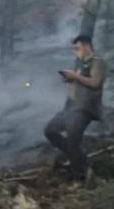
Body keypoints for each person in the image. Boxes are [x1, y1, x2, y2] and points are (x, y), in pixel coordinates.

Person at [43, 34, 104, 178]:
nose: (75, 51)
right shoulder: (81, 63)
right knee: (50, 131)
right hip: (71, 108)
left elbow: (95, 83)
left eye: (77, 48)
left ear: (87, 45)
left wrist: (75, 77)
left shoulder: (97, 62)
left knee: (73, 140)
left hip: (85, 109)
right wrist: (70, 80)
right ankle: (78, 161)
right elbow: (81, 83)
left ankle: (81, 172)